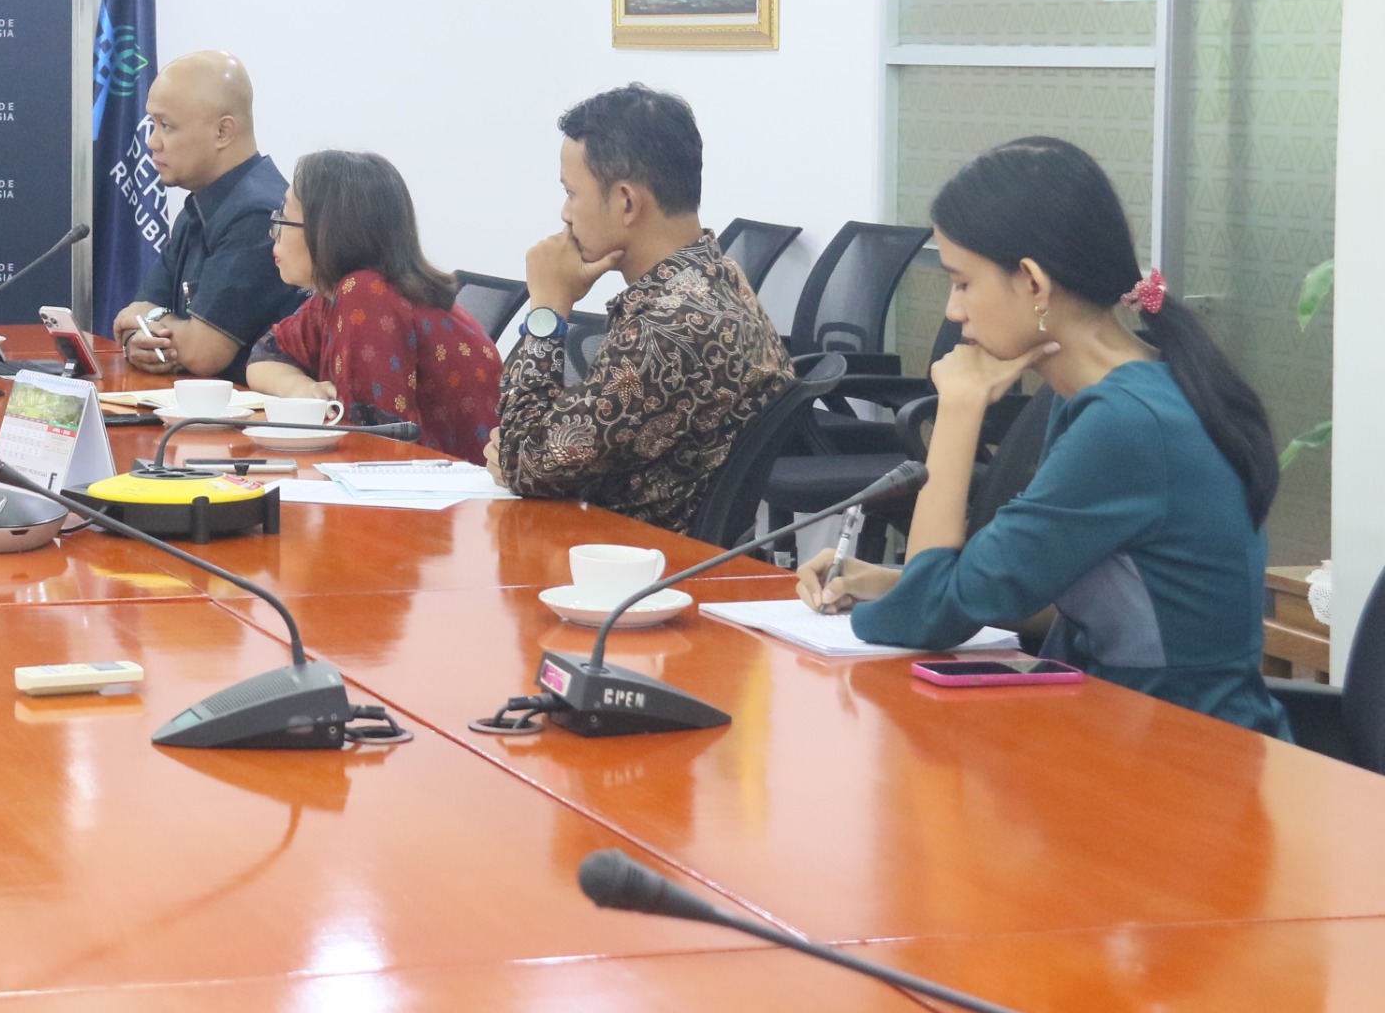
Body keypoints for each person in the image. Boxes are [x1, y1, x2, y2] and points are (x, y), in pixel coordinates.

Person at [798, 138, 1291, 736]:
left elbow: (921, 619)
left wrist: (957, 412)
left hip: (1189, 753)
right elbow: (1038, 587)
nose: (954, 311)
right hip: (1121, 727)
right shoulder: (1108, 394)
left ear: (1032, 282)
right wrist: (889, 583)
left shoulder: (1127, 423)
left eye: (962, 283)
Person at [489, 83, 794, 532]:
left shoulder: (667, 328)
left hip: (634, 560)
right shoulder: (719, 275)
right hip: (645, 551)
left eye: (572, 193)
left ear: (627, 202)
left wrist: (548, 309)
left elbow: (523, 461)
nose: (565, 214)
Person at [246, 150, 500, 458]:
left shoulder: (367, 294)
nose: (273, 233)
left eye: (284, 218)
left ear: (326, 229)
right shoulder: (341, 293)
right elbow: (265, 357)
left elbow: (374, 444)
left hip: (454, 480)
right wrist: (301, 389)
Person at [110, 50, 301, 381]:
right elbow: (132, 315)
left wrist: (149, 321)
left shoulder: (259, 213)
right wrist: (136, 338)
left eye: (166, 126)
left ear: (223, 132)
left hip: (248, 411)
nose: (152, 142)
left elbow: (202, 353)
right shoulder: (199, 207)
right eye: (152, 125)